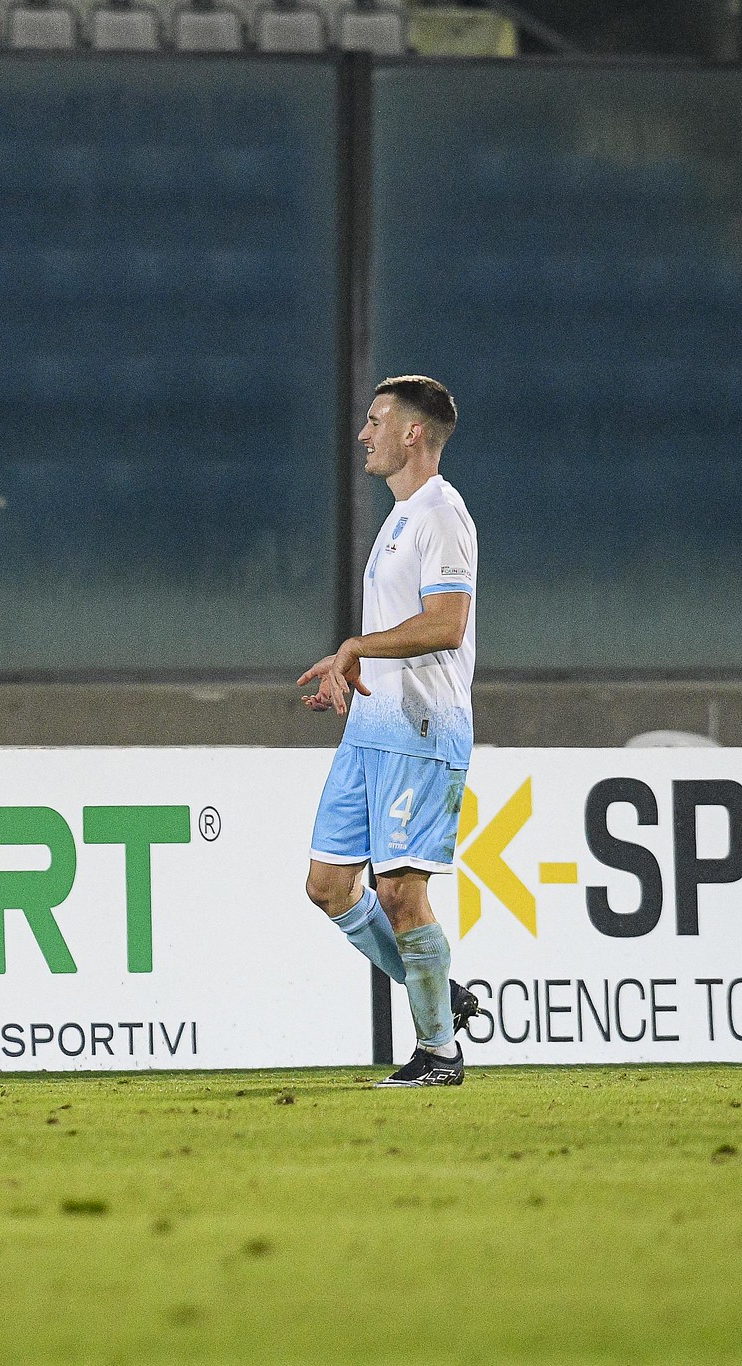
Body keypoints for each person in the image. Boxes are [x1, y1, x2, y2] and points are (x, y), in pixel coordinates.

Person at [299, 376, 480, 1088]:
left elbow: (447, 625)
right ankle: (439, 995)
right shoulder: (401, 517)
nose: (364, 434)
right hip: (374, 728)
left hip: (422, 730)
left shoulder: (441, 514)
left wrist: (358, 647)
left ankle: (439, 1053)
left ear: (413, 433)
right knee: (329, 885)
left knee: (402, 893)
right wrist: (355, 673)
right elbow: (403, 628)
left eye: (375, 421)